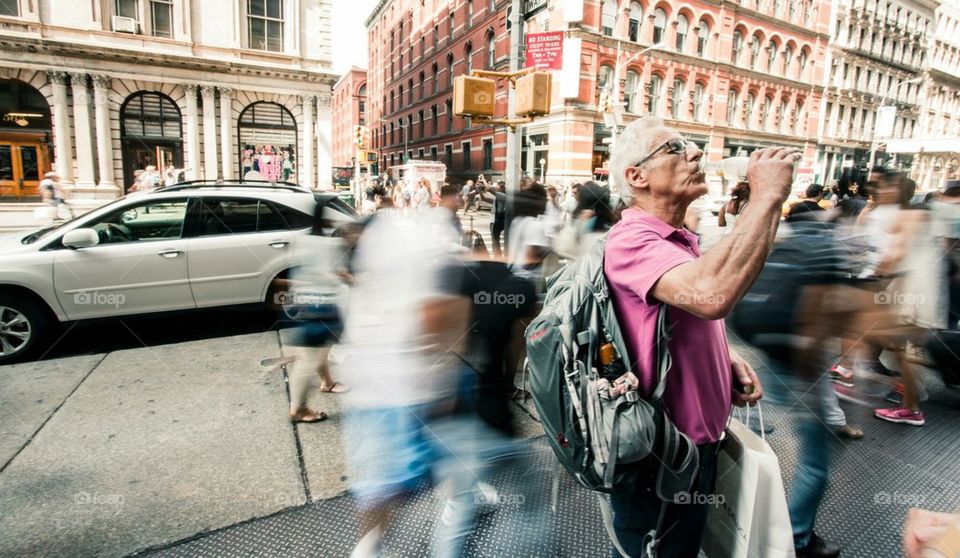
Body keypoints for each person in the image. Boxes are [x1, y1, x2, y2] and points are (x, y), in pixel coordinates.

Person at [603, 116, 799, 557]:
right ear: (637, 176)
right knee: (655, 550)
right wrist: (766, 195)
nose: (694, 153)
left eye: (690, 146)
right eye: (674, 148)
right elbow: (712, 294)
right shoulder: (632, 240)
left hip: (695, 443)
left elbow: (695, 311)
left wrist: (723, 357)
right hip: (663, 454)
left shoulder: (678, 239)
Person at [284, 200, 350, 423]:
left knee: (317, 352)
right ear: (328, 220)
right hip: (321, 306)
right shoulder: (329, 245)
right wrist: (348, 279)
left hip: (304, 303)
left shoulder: (303, 241)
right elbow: (331, 274)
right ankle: (298, 409)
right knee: (308, 360)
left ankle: (327, 383)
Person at [490, 181, 507, 256]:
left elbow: (489, 189)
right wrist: (480, 192)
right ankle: (497, 255)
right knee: (495, 240)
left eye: (496, 185)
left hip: (498, 220)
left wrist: (483, 179)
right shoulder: (498, 196)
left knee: (495, 240)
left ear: (500, 187)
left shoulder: (502, 195)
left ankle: (497, 256)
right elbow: (484, 198)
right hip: (497, 220)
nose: (494, 186)